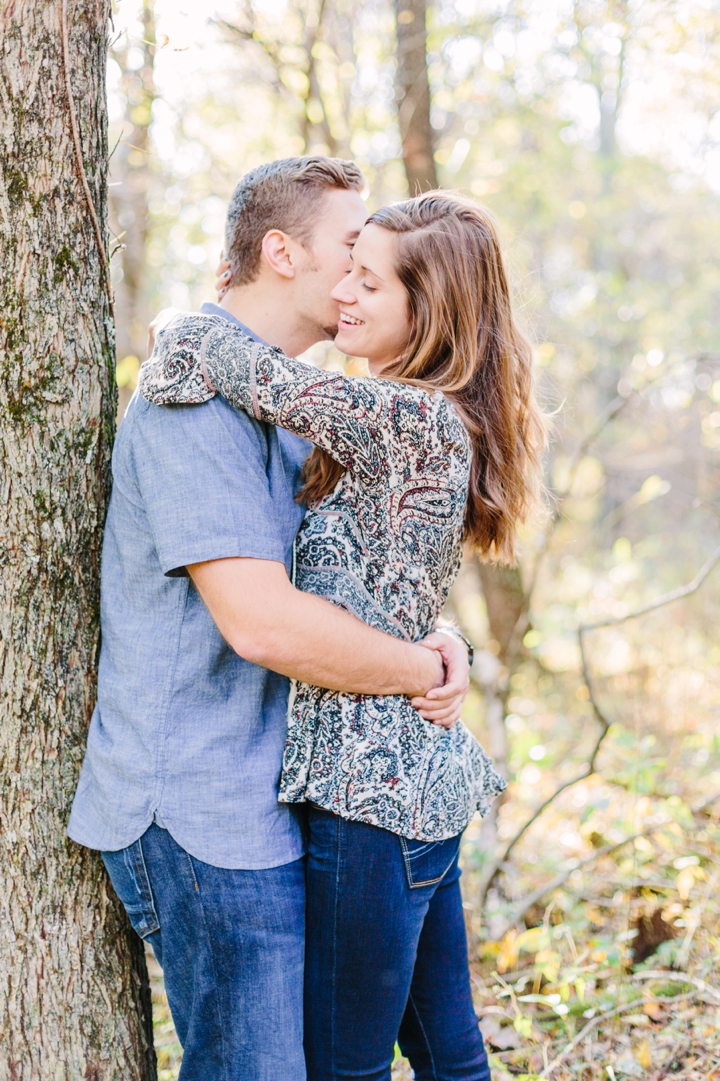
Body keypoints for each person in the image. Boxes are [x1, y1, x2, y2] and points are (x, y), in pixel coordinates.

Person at [67, 158, 472, 1081]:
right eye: (349, 250)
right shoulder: (190, 400)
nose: (362, 271)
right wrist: (418, 672)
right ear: (282, 253)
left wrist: (438, 641)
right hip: (202, 803)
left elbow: (359, 580)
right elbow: (263, 625)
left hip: (280, 792)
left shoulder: (292, 400)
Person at [140, 190, 545, 1081]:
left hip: (369, 799)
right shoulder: (419, 413)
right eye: (347, 272)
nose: (345, 297)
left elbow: (240, 366)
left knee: (342, 1066)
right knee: (450, 1051)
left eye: (369, 282)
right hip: (416, 787)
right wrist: (442, 644)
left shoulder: (406, 416)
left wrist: (180, 320)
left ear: (427, 308)